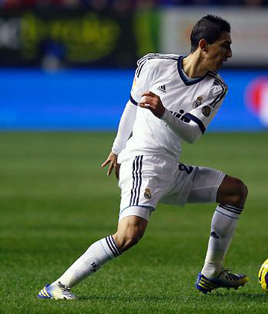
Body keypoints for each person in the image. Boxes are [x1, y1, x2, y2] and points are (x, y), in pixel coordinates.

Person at [38, 14, 249, 300]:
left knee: (235, 192)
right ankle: (57, 286)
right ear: (204, 45)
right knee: (129, 234)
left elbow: (192, 134)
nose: (230, 54)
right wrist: (117, 148)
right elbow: (133, 107)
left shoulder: (215, 88)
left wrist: (164, 112)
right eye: (225, 45)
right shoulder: (154, 65)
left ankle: (212, 271)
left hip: (171, 168)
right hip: (143, 160)